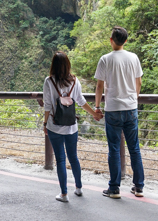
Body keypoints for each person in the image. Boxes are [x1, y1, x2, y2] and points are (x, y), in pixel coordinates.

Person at [44, 51, 103, 203]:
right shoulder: (75, 81)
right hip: (71, 127)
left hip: (55, 127)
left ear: (53, 66)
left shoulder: (49, 81)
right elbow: (81, 101)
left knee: (61, 160)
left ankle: (64, 194)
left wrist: (45, 123)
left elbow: (48, 105)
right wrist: (94, 114)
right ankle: (78, 188)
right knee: (73, 157)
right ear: (68, 65)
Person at [94, 26, 145, 199]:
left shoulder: (105, 59)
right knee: (134, 149)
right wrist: (134, 99)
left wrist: (97, 107)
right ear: (126, 41)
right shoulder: (134, 58)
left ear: (111, 40)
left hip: (113, 109)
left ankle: (114, 189)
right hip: (131, 108)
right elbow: (138, 82)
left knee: (114, 149)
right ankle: (139, 187)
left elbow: (100, 86)